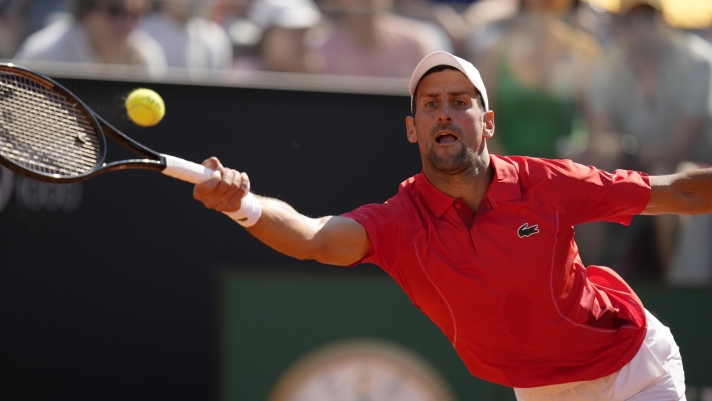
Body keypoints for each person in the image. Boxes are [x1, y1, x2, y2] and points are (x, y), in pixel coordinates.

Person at [192, 51, 705, 399]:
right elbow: (314, 238)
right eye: (431, 104)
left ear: (488, 122)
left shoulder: (546, 184)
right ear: (412, 127)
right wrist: (243, 205)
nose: (445, 114)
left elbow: (678, 191)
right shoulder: (399, 223)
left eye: (460, 102)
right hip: (543, 391)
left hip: (633, 369)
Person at [14, 0, 165, 73]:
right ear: (85, 13)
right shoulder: (43, 54)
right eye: (115, 11)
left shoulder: (146, 56)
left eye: (135, 14)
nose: (127, 22)